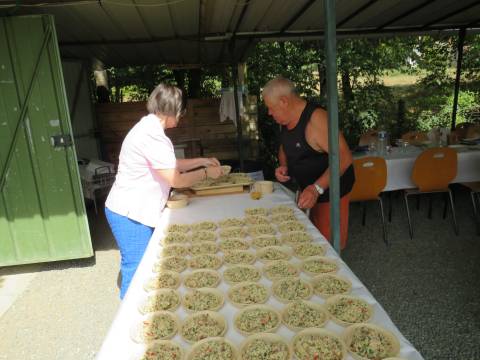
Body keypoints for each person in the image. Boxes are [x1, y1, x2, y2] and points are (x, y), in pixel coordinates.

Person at [105, 83, 223, 299]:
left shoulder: (148, 128)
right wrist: (206, 174)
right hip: (130, 213)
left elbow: (169, 164)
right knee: (137, 268)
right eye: (181, 112)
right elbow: (176, 179)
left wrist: (203, 161)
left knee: (141, 265)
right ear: (174, 110)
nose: (182, 117)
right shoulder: (153, 136)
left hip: (129, 208)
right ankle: (128, 322)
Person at [262, 76, 355, 249]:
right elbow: (284, 146)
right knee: (311, 238)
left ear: (283, 101)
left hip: (331, 190)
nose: (269, 113)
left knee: (328, 245)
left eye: (270, 108)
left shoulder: (317, 119)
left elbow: (344, 158)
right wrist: (284, 166)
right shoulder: (286, 120)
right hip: (308, 189)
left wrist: (316, 188)